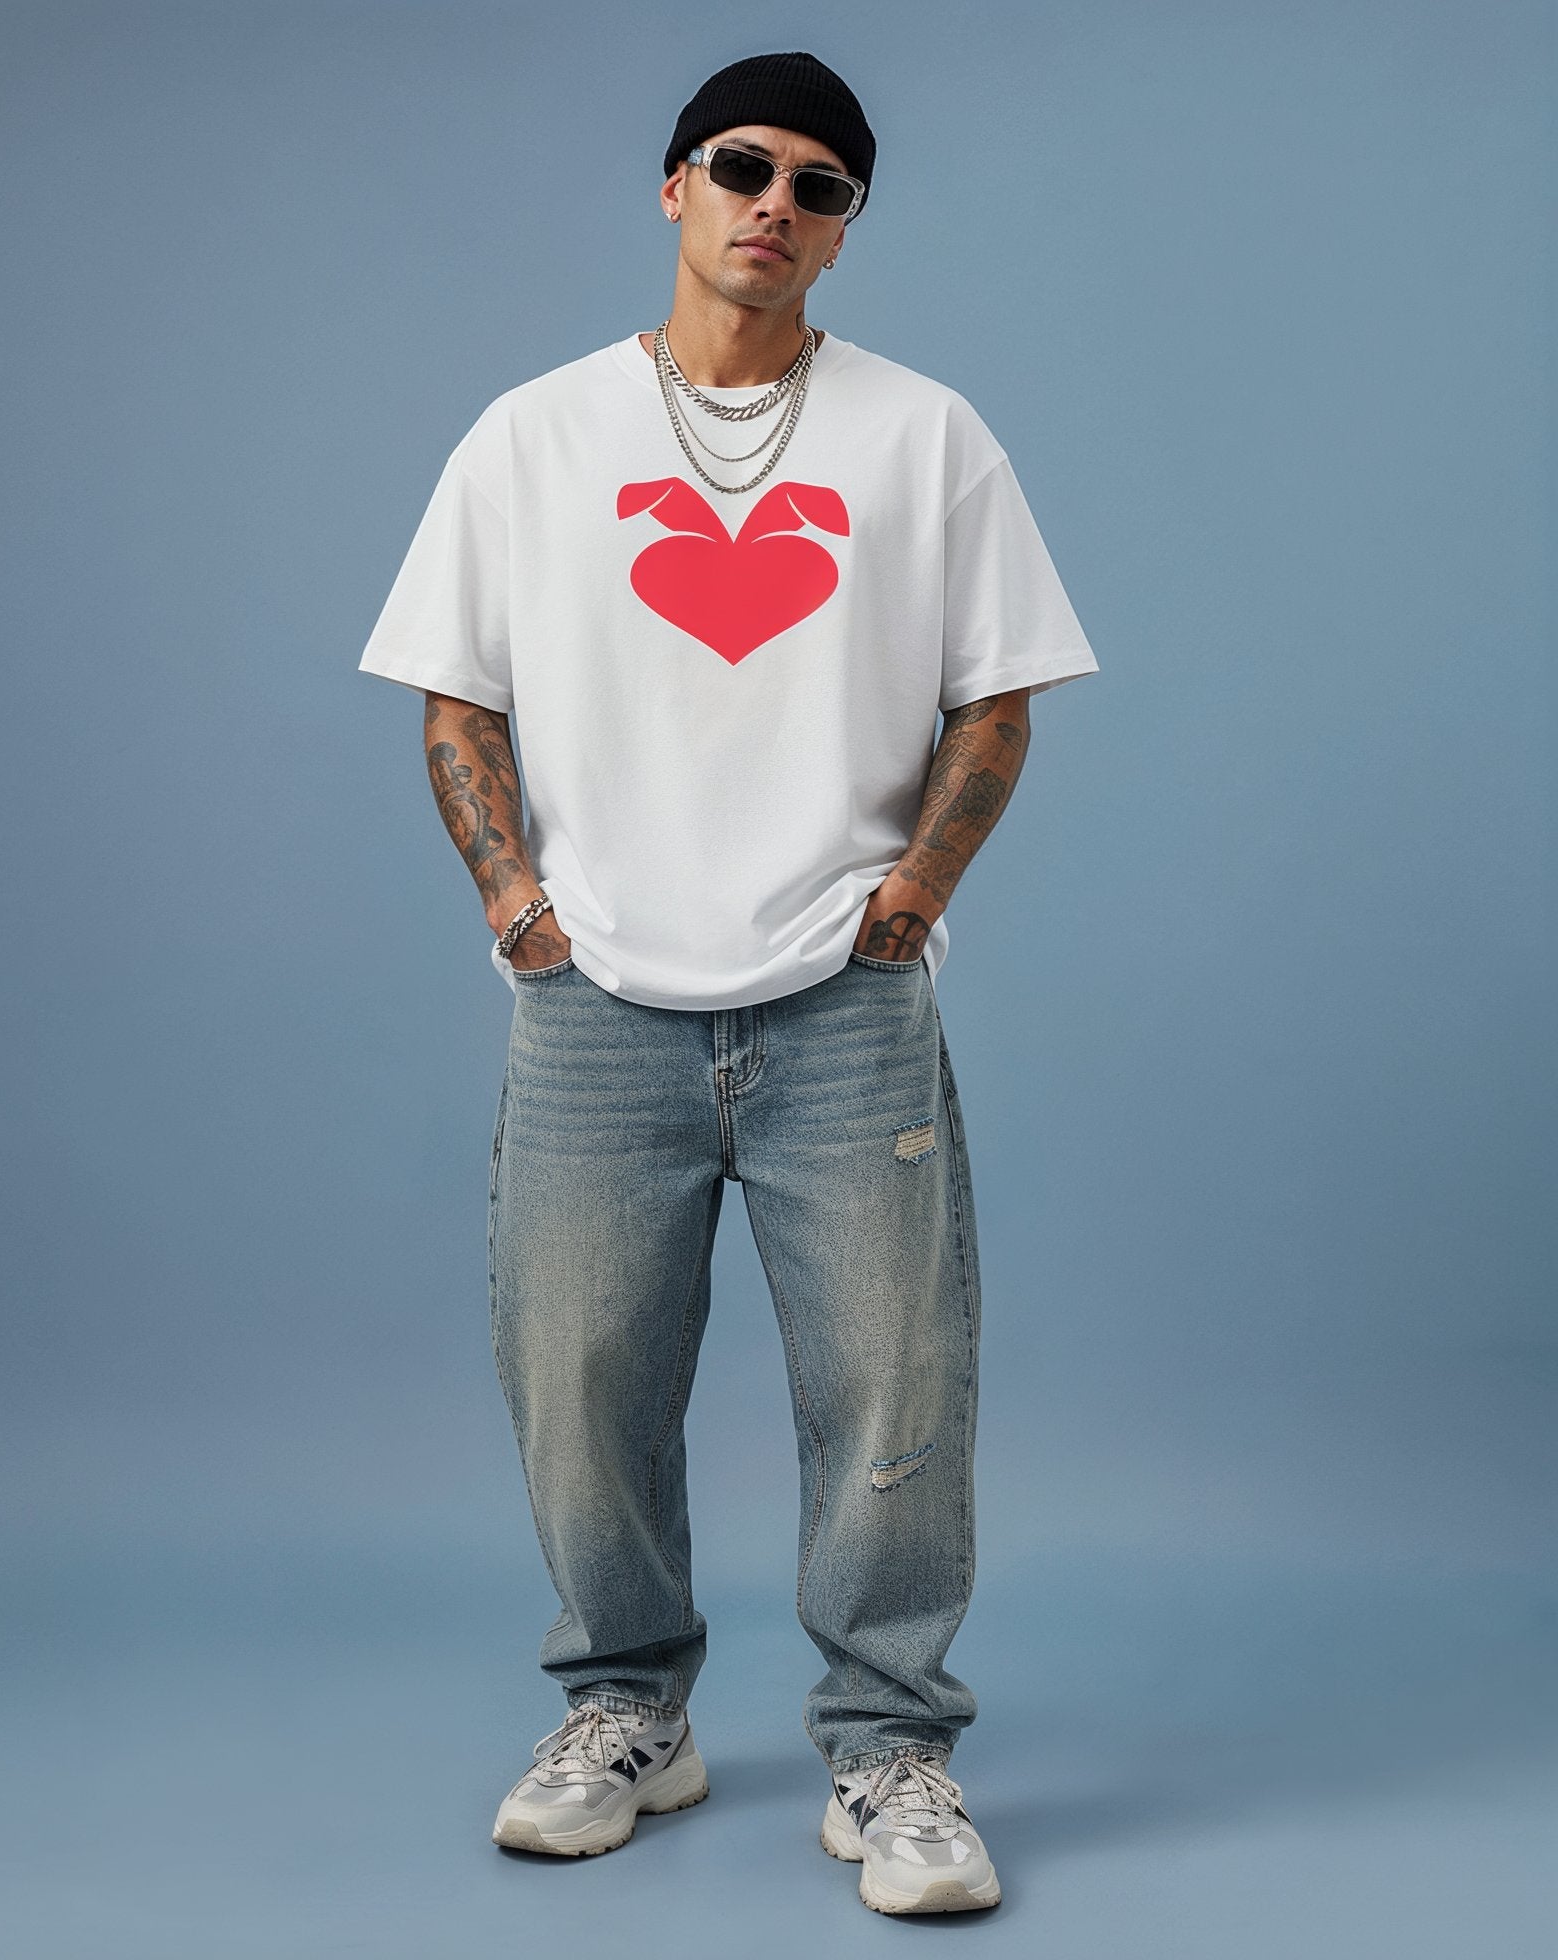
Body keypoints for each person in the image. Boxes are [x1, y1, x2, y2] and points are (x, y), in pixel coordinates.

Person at [357, 48, 1098, 1917]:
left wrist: (918, 887)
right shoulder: (530, 437)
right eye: (745, 165)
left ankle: (892, 1752)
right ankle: (628, 1712)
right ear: (675, 187)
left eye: (823, 186)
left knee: (895, 1390)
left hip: (846, 1008)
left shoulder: (928, 438)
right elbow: (461, 694)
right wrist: (520, 901)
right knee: (580, 1379)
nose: (779, 201)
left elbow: (995, 697)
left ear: (844, 237)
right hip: (596, 1002)